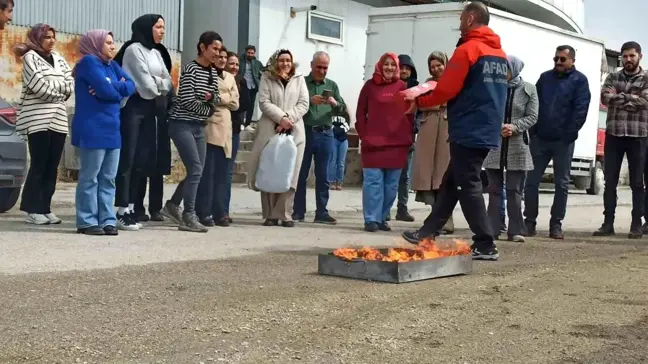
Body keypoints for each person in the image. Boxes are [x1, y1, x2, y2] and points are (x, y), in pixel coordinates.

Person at [402, 1, 508, 261]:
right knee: (451, 181)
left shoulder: (468, 49)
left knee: (467, 183)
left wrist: (419, 102)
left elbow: (446, 89)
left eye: (461, 18)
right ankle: (427, 233)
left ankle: (485, 243)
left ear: (471, 19)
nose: (459, 23)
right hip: (486, 128)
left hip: (468, 127)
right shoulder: (500, 54)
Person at [112, 14, 174, 231]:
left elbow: (169, 81)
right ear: (147, 28)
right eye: (158, 27)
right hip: (133, 108)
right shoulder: (133, 49)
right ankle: (120, 209)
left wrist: (158, 83)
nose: (162, 31)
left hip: (150, 111)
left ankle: (130, 207)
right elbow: (147, 86)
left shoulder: (156, 53)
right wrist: (159, 83)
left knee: (142, 160)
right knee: (127, 159)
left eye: (163, 27)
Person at [523, 45, 591, 239]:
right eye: (556, 59)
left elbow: (581, 109)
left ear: (572, 61)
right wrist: (533, 131)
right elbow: (533, 104)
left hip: (563, 141)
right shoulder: (545, 78)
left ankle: (556, 225)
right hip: (541, 139)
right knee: (531, 182)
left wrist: (569, 134)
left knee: (561, 184)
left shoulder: (580, 81)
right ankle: (529, 223)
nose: (558, 62)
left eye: (562, 59)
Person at [72, 29, 136, 236]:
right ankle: (87, 221)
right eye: (108, 42)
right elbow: (107, 91)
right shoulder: (89, 62)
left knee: (108, 178)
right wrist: (116, 88)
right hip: (92, 128)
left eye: (113, 41)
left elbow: (132, 86)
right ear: (95, 43)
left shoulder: (112, 65)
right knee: (90, 178)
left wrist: (111, 86)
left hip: (112, 130)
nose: (112, 45)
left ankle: (107, 219)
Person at [161, 31, 222, 233]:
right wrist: (208, 107)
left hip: (199, 126)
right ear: (202, 47)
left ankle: (172, 205)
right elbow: (186, 100)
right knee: (196, 168)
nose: (217, 53)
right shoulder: (190, 69)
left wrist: (209, 101)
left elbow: (216, 97)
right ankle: (189, 215)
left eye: (219, 49)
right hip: (181, 124)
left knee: (198, 171)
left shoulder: (213, 72)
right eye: (214, 48)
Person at [14, 23, 74, 225]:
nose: (52, 40)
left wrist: (57, 89)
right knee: (39, 164)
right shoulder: (30, 57)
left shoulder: (58, 58)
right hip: (37, 118)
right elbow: (38, 85)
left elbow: (70, 83)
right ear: (38, 38)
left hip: (58, 118)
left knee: (52, 166)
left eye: (53, 37)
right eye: (47, 37)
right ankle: (33, 208)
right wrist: (59, 92)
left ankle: (45, 207)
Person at [247, 49, 309, 227]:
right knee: (269, 170)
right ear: (275, 62)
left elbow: (304, 103)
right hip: (270, 130)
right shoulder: (267, 77)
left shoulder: (299, 79)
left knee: (291, 173)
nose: (285, 64)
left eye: (288, 60)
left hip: (295, 131)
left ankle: (285, 214)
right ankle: (270, 215)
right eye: (281, 60)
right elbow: (264, 101)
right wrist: (280, 119)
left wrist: (288, 119)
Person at [596, 41, 648, 239]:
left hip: (638, 136)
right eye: (625, 56)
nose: (628, 60)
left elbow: (645, 102)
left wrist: (620, 97)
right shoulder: (612, 76)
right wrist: (632, 99)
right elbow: (605, 97)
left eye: (632, 56)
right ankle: (608, 223)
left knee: (637, 183)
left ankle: (636, 224)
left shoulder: (646, 78)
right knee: (610, 182)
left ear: (639, 57)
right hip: (615, 134)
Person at [484, 55, 538, 243]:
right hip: (495, 144)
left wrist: (514, 127)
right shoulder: (493, 87)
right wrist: (497, 125)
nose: (502, 72)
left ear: (514, 69)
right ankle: (492, 229)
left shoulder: (529, 89)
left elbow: (532, 116)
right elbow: (486, 110)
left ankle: (516, 230)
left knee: (515, 190)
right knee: (494, 189)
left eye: (505, 68)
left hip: (518, 145)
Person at [356, 52, 413, 232]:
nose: (389, 68)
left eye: (393, 65)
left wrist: (408, 136)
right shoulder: (369, 86)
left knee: (391, 185)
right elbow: (360, 112)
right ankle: (371, 219)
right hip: (373, 143)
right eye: (386, 64)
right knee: (373, 183)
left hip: (397, 143)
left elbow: (410, 114)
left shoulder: (403, 87)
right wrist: (364, 135)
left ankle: (382, 217)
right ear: (380, 65)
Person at [292, 51, 346, 225]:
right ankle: (298, 211)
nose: (322, 71)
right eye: (319, 67)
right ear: (311, 65)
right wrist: (309, 103)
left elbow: (342, 109)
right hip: (306, 132)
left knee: (323, 175)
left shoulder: (332, 85)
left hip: (326, 133)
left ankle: (321, 212)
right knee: (301, 173)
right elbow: (293, 107)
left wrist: (334, 104)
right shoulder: (301, 83)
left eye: (325, 67)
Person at [411, 51, 454, 235]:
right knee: (428, 175)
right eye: (433, 66)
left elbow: (451, 101)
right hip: (428, 130)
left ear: (446, 64)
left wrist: (434, 102)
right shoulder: (427, 84)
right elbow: (418, 103)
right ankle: (435, 217)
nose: (436, 69)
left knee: (443, 175)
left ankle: (447, 220)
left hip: (446, 128)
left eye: (439, 65)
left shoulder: (454, 81)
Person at [196, 47, 239, 227]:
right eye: (219, 57)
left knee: (223, 174)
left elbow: (236, 103)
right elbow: (204, 97)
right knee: (208, 173)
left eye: (224, 57)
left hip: (226, 129)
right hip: (210, 126)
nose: (222, 60)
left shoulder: (229, 77)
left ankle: (220, 211)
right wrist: (225, 97)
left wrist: (217, 97)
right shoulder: (207, 74)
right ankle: (204, 212)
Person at [392, 54, 419, 222]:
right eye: (401, 67)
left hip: (408, 138)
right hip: (390, 138)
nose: (404, 71)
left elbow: (420, 112)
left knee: (404, 177)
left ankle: (402, 209)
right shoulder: (390, 87)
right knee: (389, 175)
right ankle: (385, 208)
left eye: (407, 68)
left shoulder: (417, 88)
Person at [224, 51, 250, 223]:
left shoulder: (242, 81)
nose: (234, 67)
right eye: (231, 63)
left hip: (233, 129)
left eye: (236, 64)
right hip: (216, 129)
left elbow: (244, 104)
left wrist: (231, 104)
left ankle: (223, 211)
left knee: (227, 172)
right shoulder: (219, 78)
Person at [238, 45, 263, 128]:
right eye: (248, 53)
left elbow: (263, 72)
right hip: (243, 85)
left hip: (253, 86)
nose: (250, 54)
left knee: (251, 105)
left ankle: (247, 124)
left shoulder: (257, 63)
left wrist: (259, 81)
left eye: (252, 53)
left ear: (254, 53)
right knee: (244, 103)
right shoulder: (240, 61)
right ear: (245, 53)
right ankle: (240, 122)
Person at [328, 111, 351, 190]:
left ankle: (339, 182)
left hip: (343, 140)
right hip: (333, 139)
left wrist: (338, 129)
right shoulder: (330, 113)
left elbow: (347, 126)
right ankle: (331, 181)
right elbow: (329, 125)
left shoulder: (346, 115)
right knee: (332, 161)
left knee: (341, 162)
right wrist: (336, 129)